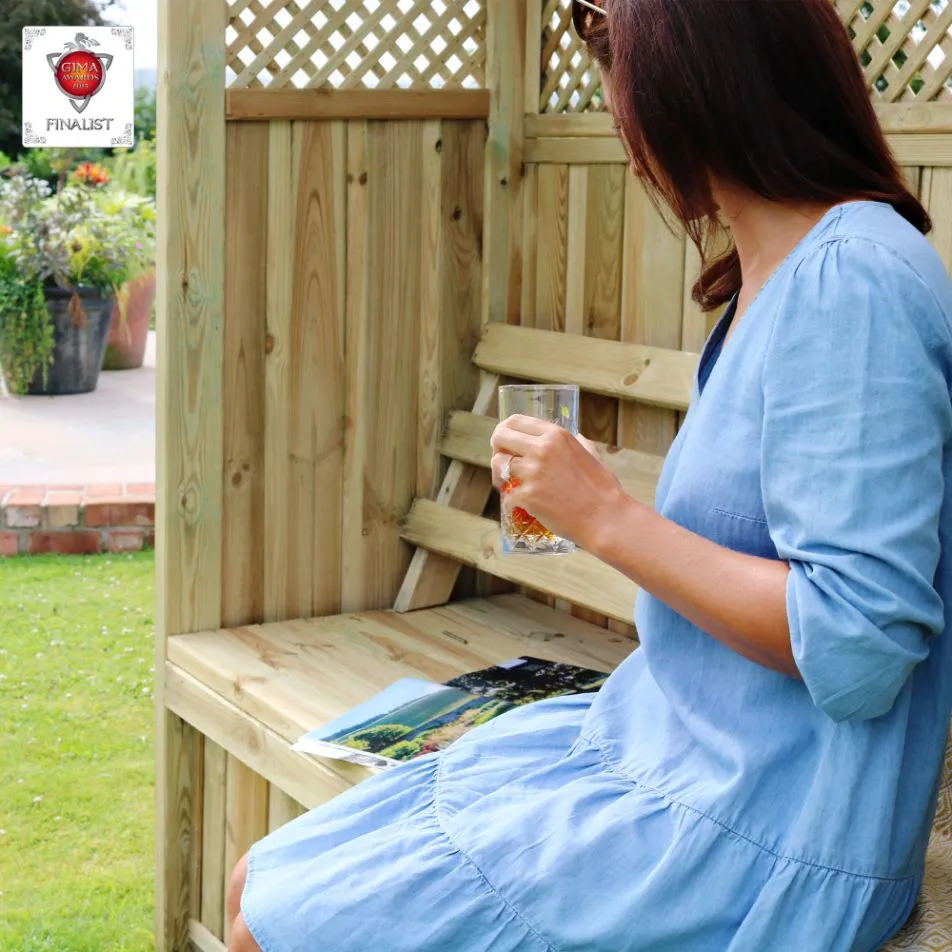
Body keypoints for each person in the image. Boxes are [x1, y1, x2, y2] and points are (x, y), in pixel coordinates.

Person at [226, 1, 952, 949]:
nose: (619, 116)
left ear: (702, 85)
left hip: (755, 826)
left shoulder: (852, 279)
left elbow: (856, 645)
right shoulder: (776, 271)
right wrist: (597, 499)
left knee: (274, 924)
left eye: (624, 79)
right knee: (257, 879)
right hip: (657, 741)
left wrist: (607, 518)